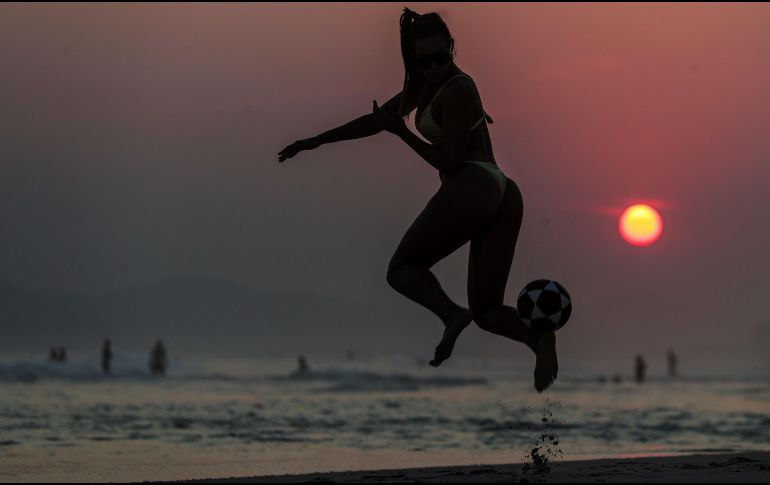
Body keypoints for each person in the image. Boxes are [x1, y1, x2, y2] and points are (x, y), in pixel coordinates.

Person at [277, 8, 558, 392]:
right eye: (424, 61)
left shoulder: (458, 88)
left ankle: (450, 315)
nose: (434, 67)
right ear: (415, 60)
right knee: (488, 311)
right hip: (503, 193)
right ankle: (540, 340)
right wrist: (314, 141)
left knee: (401, 269)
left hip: (475, 182)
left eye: (441, 57)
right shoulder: (423, 86)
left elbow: (451, 162)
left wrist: (403, 134)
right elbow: (376, 120)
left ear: (452, 50)